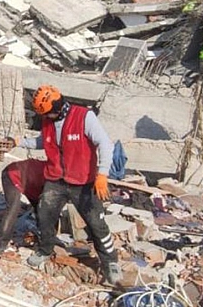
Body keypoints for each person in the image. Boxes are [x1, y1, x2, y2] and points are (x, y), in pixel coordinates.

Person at [18, 85, 122, 285]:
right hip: (56, 180)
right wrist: (19, 141)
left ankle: (110, 262)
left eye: (47, 114)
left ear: (56, 107)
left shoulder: (84, 117)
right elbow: (44, 141)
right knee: (45, 216)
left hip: (84, 182)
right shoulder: (49, 121)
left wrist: (103, 174)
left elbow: (105, 144)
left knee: (97, 224)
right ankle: (45, 249)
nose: (46, 118)